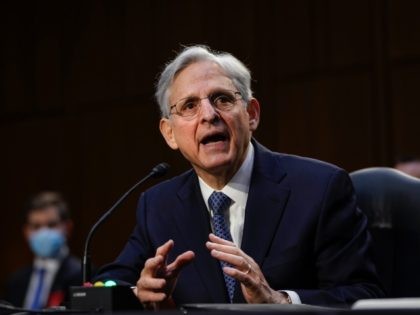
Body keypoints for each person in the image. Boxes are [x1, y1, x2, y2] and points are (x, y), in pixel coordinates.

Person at [97, 45, 384, 309]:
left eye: (222, 99)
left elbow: (361, 296)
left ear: (251, 114)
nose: (208, 115)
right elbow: (108, 283)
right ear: (169, 133)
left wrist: (278, 301)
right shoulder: (158, 204)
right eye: (189, 106)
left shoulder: (319, 188)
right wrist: (138, 291)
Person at [4, 191, 82, 309]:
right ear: (26, 232)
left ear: (68, 228)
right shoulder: (16, 281)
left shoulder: (82, 275)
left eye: (51, 225)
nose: (43, 232)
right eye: (36, 226)